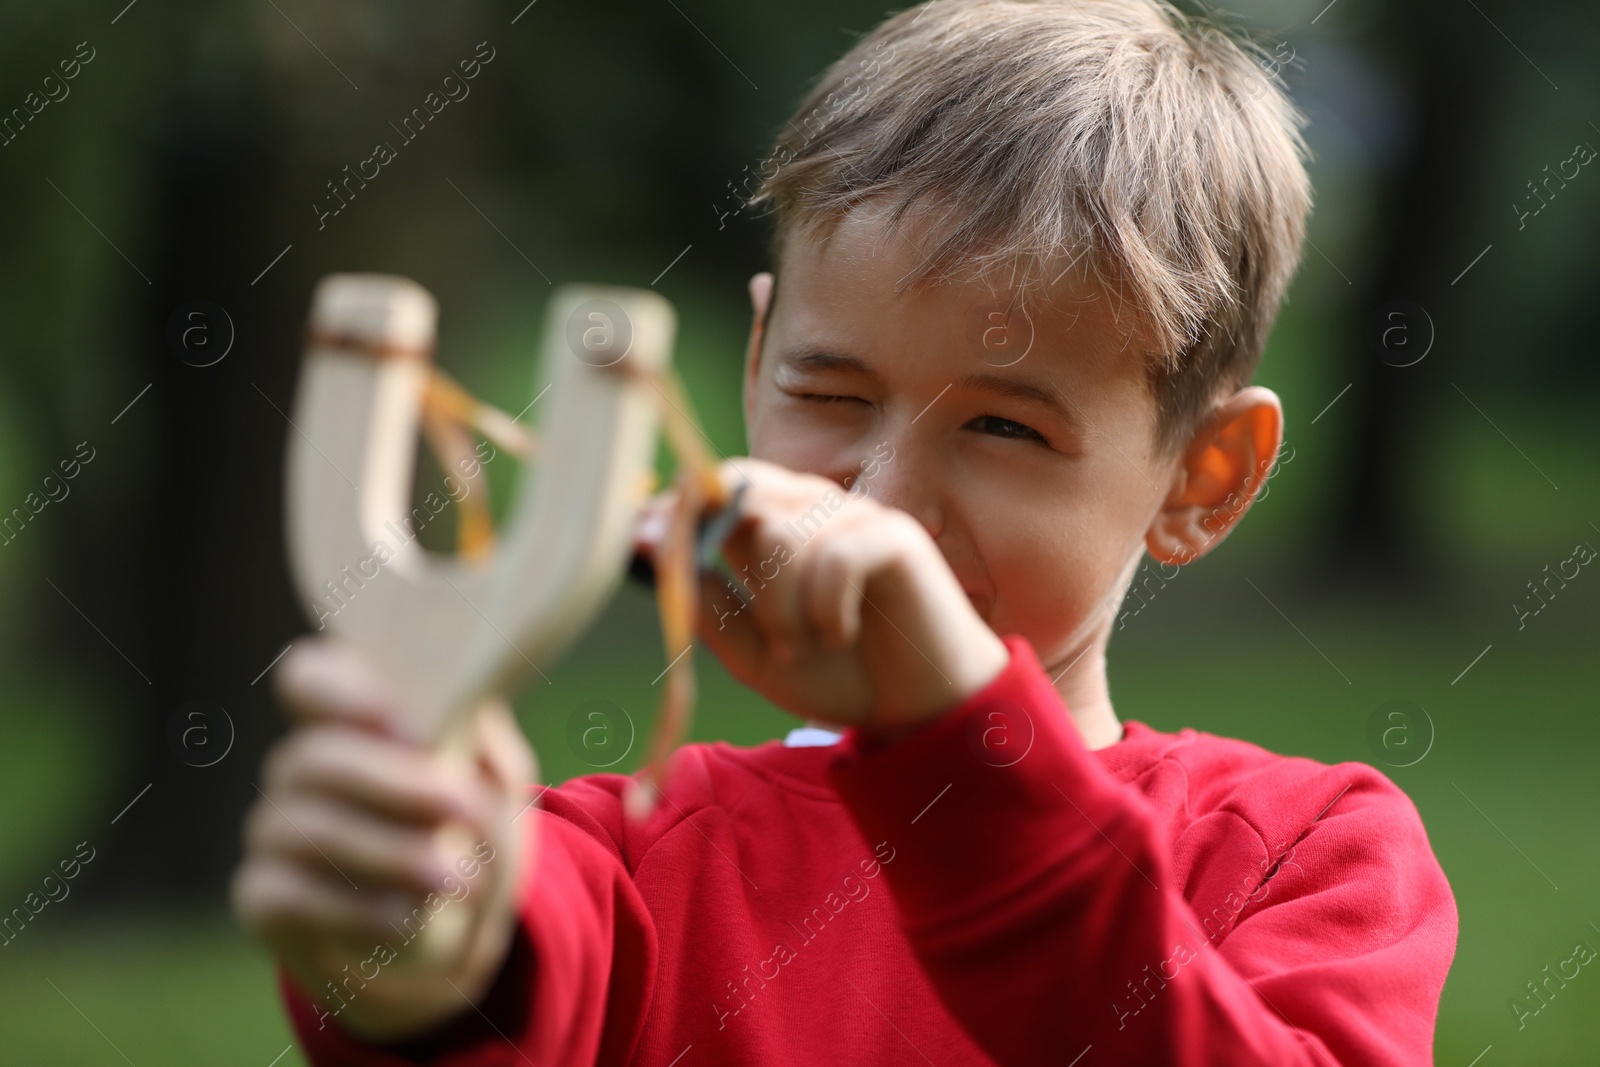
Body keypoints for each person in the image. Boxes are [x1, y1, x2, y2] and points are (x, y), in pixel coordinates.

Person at [233, 1, 1458, 1063]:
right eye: (828, 397)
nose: (881, 507)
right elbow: (481, 970)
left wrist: (955, 735)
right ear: (756, 362)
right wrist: (418, 926)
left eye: (1006, 429)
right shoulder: (626, 860)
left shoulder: (1302, 855)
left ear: (1204, 475)